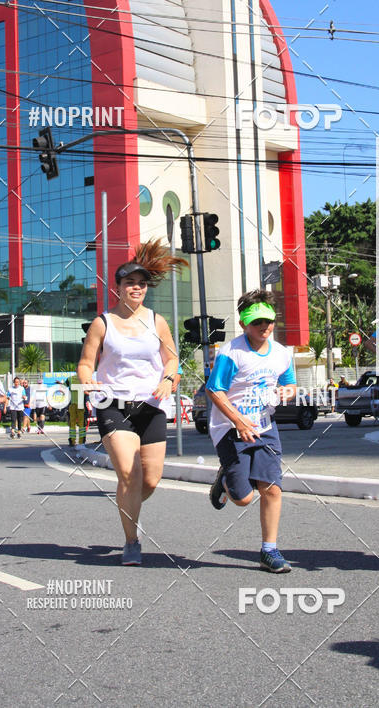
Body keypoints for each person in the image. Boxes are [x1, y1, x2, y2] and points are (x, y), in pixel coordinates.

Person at [78, 239, 185, 565]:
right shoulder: (103, 323)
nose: (136, 288)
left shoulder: (157, 321)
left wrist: (168, 379)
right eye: (130, 284)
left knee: (149, 479)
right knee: (128, 472)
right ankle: (131, 540)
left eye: (141, 284)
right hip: (113, 403)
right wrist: (87, 382)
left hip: (151, 405)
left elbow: (172, 359)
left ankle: (129, 505)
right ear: (119, 288)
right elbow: (86, 362)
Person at [206, 289, 297, 573]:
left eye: (269, 321)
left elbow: (291, 385)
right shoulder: (231, 353)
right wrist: (238, 422)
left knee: (271, 489)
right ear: (244, 323)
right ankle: (225, 481)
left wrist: (286, 392)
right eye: (258, 322)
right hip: (230, 429)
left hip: (265, 428)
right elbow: (214, 390)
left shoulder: (281, 353)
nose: (265, 327)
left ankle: (269, 550)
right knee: (243, 499)